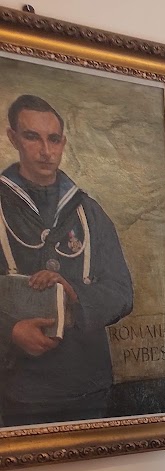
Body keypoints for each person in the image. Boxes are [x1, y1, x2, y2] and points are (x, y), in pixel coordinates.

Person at [0, 94, 133, 426]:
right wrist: (10, 332)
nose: (46, 150)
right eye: (32, 137)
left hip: (87, 388)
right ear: (13, 138)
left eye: (54, 139)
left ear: (63, 143)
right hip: (16, 390)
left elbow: (122, 293)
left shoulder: (88, 211)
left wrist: (74, 291)